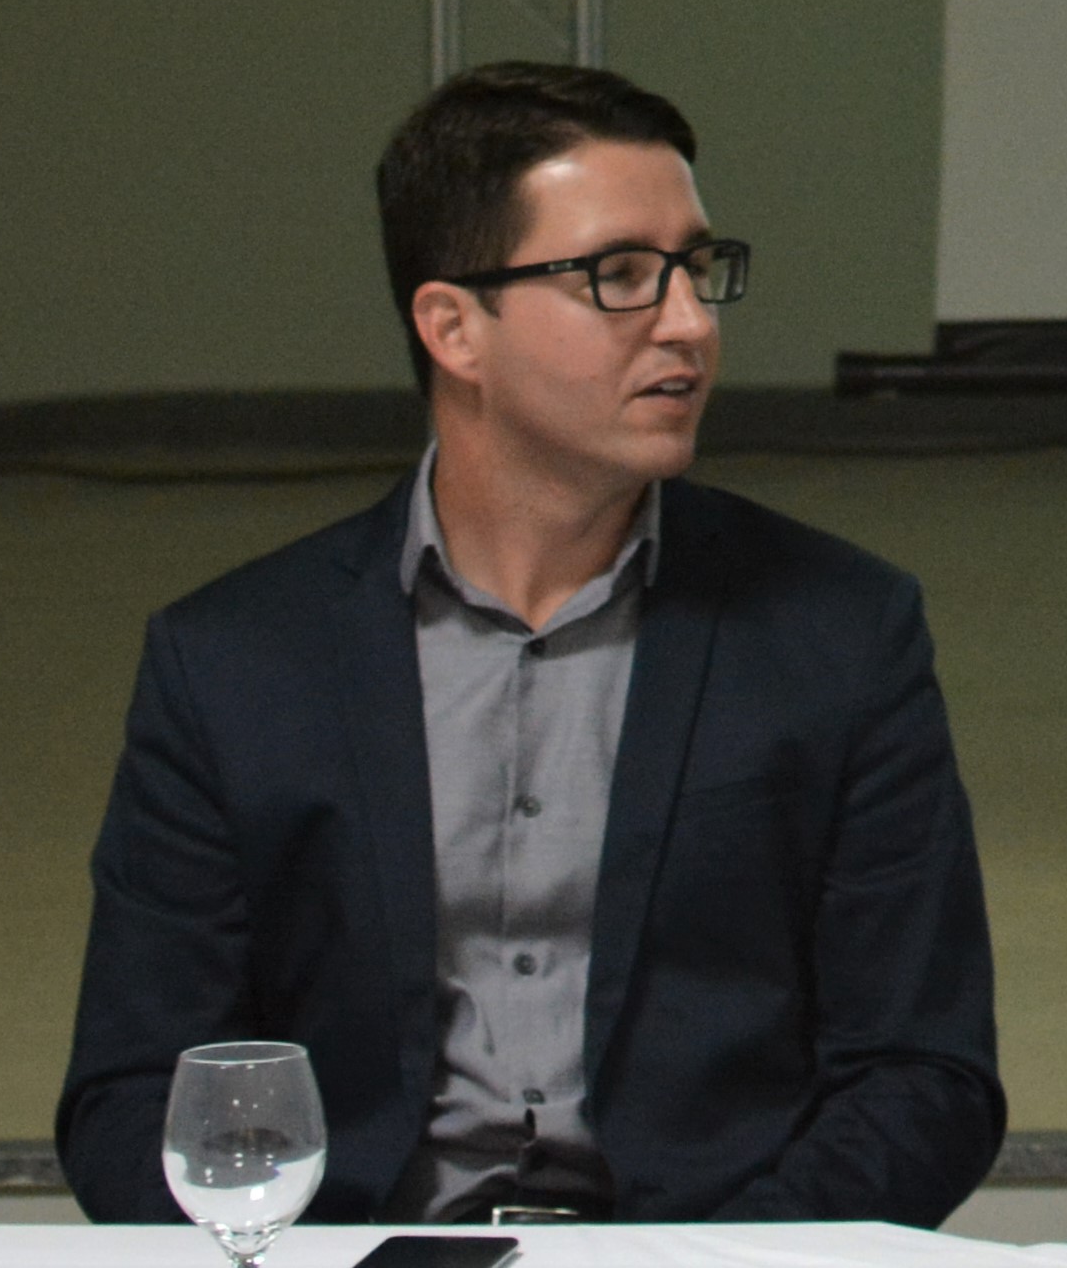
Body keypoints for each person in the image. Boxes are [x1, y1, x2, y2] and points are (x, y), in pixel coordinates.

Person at [58, 64, 1004, 1225]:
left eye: (697, 268)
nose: (690, 323)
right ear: (453, 327)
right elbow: (134, 1098)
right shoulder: (235, 662)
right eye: (620, 276)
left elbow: (922, 1076)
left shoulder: (839, 632)